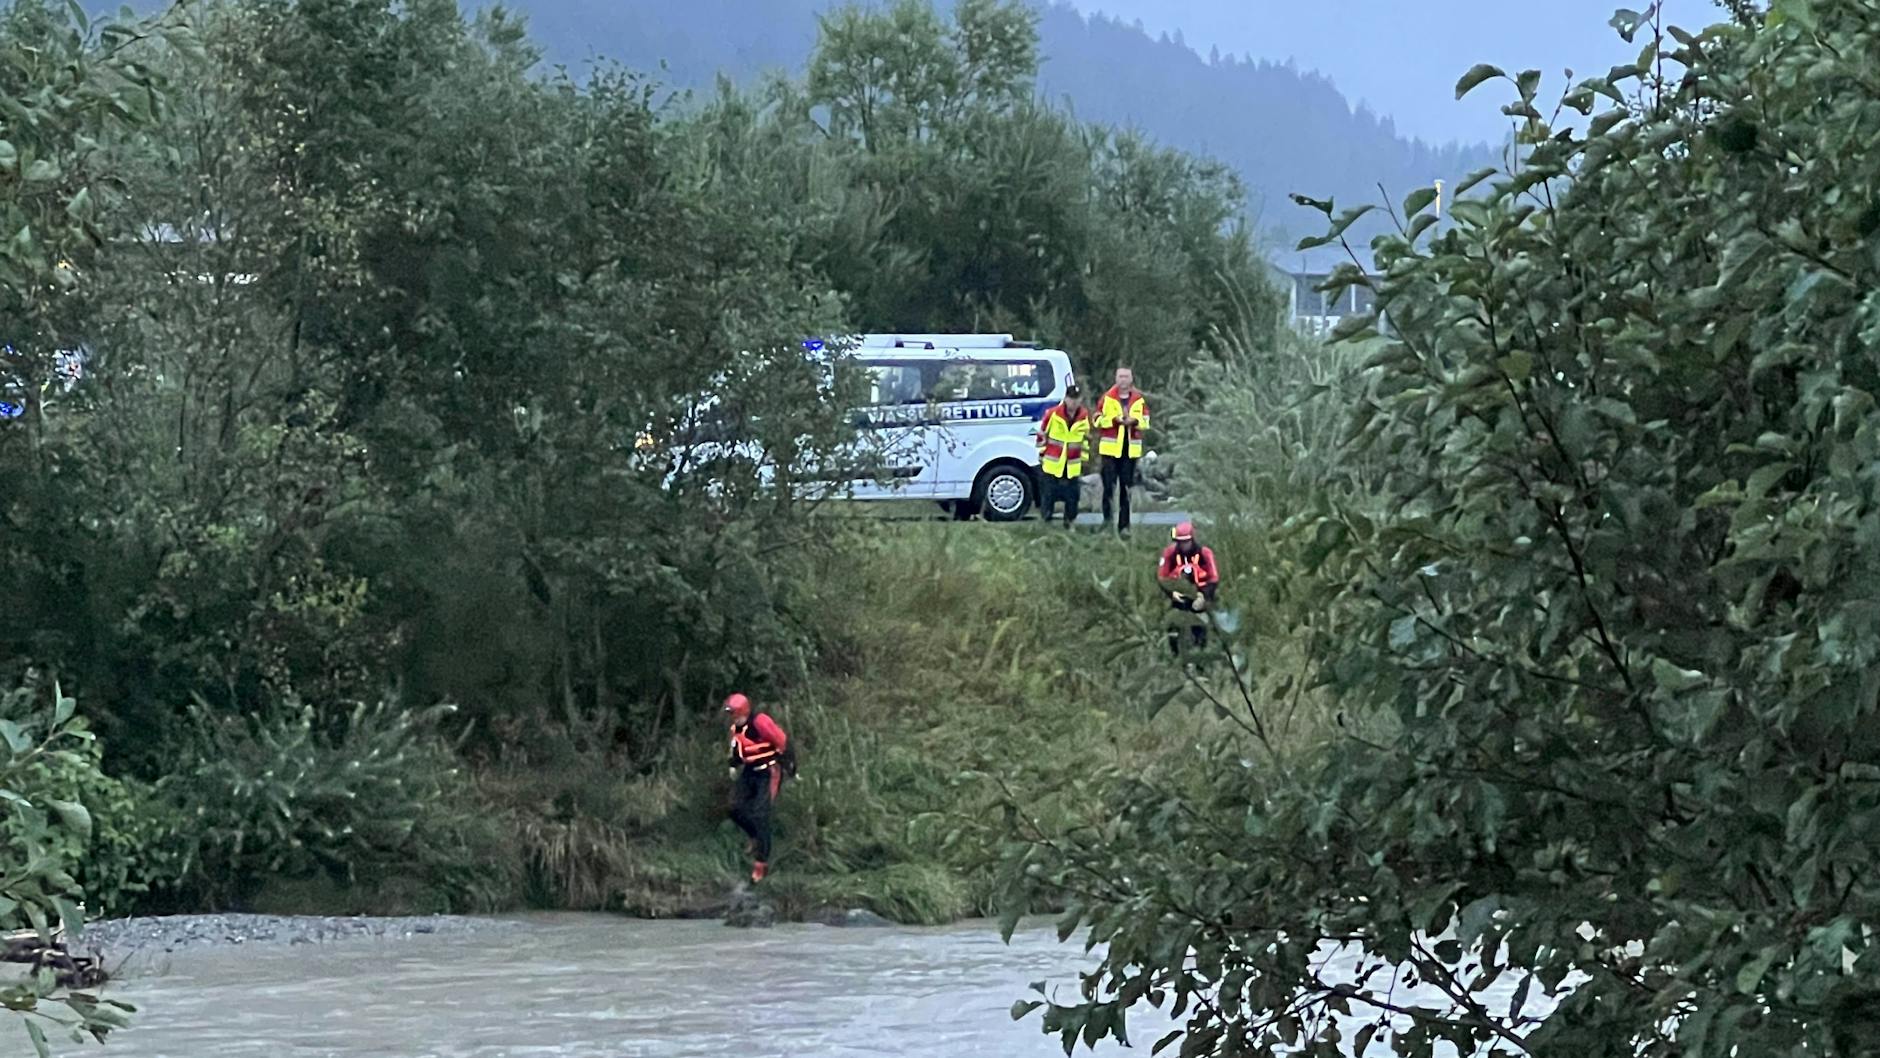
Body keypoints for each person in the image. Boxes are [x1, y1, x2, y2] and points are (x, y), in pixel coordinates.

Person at [723, 692, 790, 883]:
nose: (733, 718)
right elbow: (738, 751)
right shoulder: (736, 729)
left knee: (760, 814)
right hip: (750, 771)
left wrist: (790, 766)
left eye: (735, 714)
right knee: (734, 808)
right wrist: (733, 765)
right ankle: (754, 837)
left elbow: (782, 742)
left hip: (768, 771)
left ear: (744, 711)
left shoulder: (760, 722)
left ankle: (761, 863)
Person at [1096, 366, 1149, 536]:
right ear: (1116, 378)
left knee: (1126, 490)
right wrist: (1114, 420)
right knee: (1108, 488)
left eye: (1126, 376)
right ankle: (1107, 523)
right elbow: (1096, 420)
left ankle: (1124, 526)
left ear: (1131, 379)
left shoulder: (1138, 399)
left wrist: (1134, 421)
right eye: (1120, 376)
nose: (1123, 380)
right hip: (1110, 451)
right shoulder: (1107, 398)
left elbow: (1146, 421)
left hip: (1130, 451)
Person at [1157, 521, 1220, 656]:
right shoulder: (1169, 553)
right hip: (1178, 598)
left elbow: (1213, 578)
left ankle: (1200, 654)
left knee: (1200, 625)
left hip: (1200, 596)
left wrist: (1203, 596)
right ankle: (1176, 655)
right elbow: (1162, 577)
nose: (1183, 545)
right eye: (1180, 542)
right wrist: (1172, 593)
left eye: (1186, 542)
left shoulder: (1205, 553)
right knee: (1173, 624)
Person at [1035, 383, 1092, 528]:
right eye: (1071, 398)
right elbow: (1042, 436)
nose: (1074, 402)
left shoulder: (1084, 417)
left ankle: (1069, 523)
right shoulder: (1053, 414)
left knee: (1072, 496)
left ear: (1081, 399)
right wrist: (1042, 456)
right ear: (1065, 398)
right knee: (1048, 495)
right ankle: (1046, 524)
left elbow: (1085, 440)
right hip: (1052, 462)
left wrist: (1084, 460)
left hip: (1072, 463)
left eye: (1076, 399)